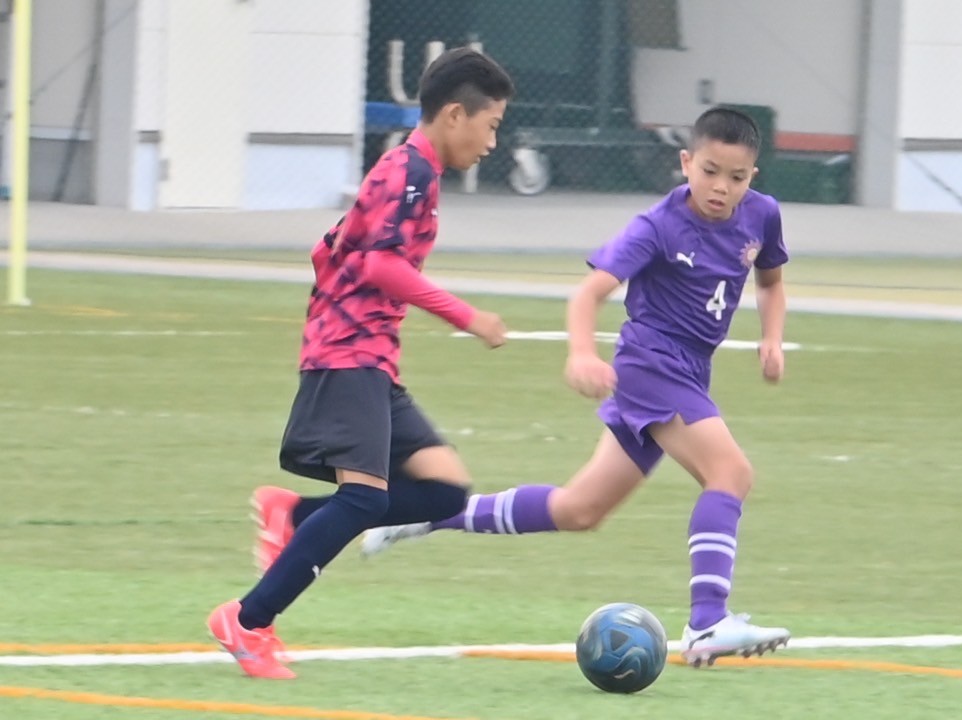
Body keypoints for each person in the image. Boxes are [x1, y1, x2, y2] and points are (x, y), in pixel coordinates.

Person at [362, 107, 792, 667]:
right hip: (651, 366)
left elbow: (771, 281)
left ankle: (422, 513)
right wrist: (583, 353)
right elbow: (588, 294)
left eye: (735, 178)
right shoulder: (658, 226)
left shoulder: (762, 214)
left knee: (579, 510)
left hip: (689, 371)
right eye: (710, 171)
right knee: (731, 473)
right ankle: (707, 622)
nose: (721, 187)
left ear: (752, 177)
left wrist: (772, 338)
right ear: (686, 162)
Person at [206, 47, 515, 680]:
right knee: (364, 500)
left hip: (369, 354)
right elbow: (379, 265)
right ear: (455, 115)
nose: (492, 142)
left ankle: (293, 514)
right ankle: (248, 620)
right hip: (350, 354)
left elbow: (329, 250)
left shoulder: (409, 169)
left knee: (443, 489)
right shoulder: (411, 173)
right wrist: (467, 316)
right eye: (491, 126)